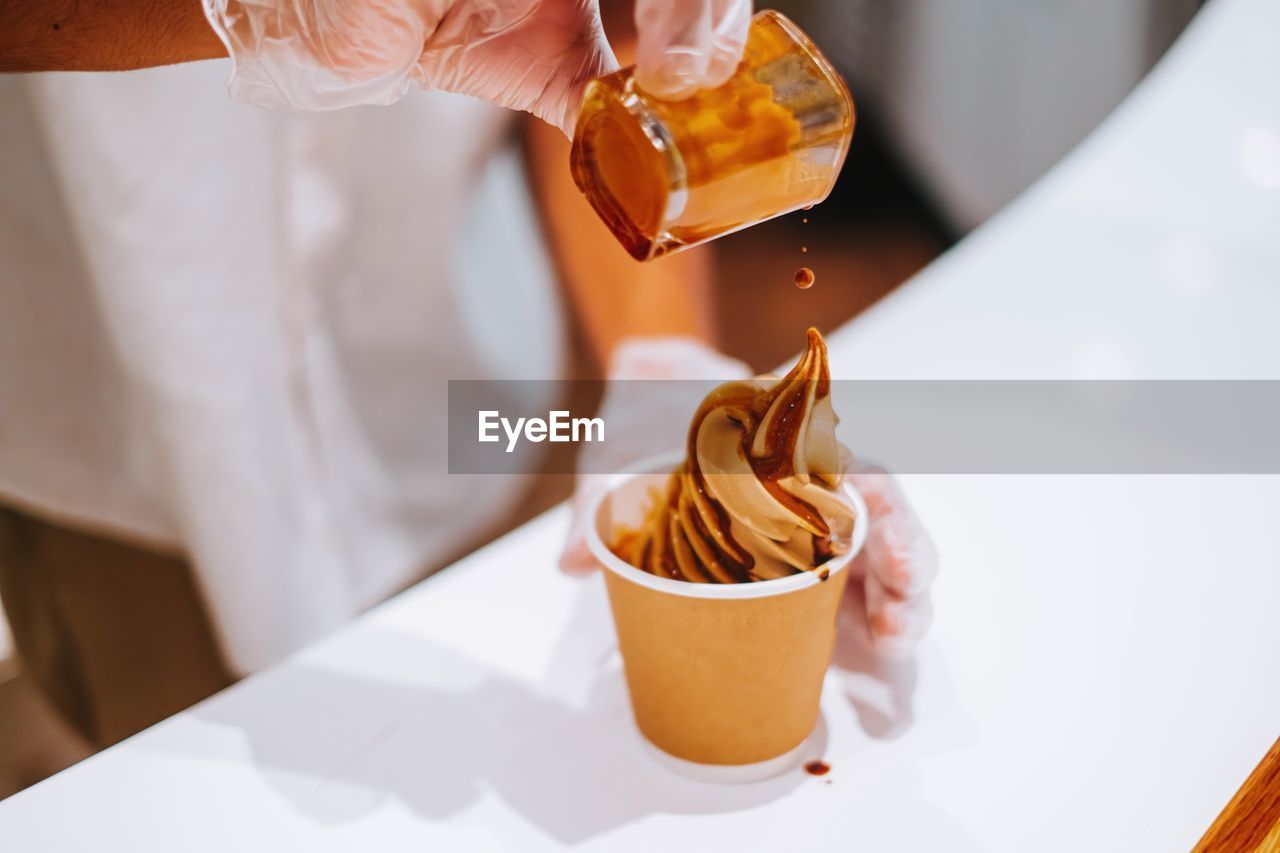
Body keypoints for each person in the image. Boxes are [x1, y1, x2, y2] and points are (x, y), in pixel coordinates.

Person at [0, 0, 934, 764]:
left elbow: (606, 64)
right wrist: (244, 11)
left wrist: (660, 360)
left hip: (466, 386)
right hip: (119, 448)